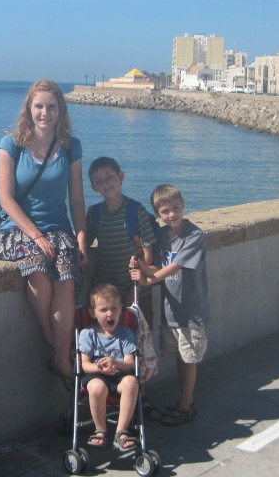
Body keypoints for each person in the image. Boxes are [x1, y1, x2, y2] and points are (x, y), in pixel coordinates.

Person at [0, 79, 87, 382]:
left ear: (60, 110)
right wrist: (35, 235)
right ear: (29, 109)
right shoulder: (12, 143)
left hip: (58, 228)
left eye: (51, 106)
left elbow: (76, 198)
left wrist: (82, 237)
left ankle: (61, 359)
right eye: (39, 106)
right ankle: (57, 346)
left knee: (66, 278)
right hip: (18, 228)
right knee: (37, 266)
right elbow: (6, 200)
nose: (45, 112)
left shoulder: (71, 146)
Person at [130, 183, 210, 426]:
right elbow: (159, 267)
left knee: (189, 358)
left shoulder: (194, 236)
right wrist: (142, 269)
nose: (171, 214)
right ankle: (183, 401)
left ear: (183, 205)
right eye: (165, 211)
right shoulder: (163, 236)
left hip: (191, 310)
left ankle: (186, 405)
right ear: (158, 215)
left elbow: (175, 266)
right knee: (180, 357)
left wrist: (148, 278)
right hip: (171, 311)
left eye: (175, 208)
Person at [85, 156, 157, 313]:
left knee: (137, 329)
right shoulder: (94, 213)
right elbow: (84, 244)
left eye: (109, 177)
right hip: (104, 286)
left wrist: (135, 288)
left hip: (134, 283)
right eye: (98, 181)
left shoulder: (136, 211)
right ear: (93, 187)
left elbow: (147, 254)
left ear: (121, 176)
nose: (105, 184)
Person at [78, 282, 140, 452]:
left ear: (121, 309)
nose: (110, 313)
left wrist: (115, 363)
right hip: (95, 375)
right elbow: (84, 365)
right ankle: (100, 429)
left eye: (114, 309)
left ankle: (121, 431)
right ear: (92, 313)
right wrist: (99, 368)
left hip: (119, 376)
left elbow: (129, 365)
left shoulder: (125, 334)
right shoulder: (88, 334)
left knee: (132, 382)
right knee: (97, 386)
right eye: (103, 310)